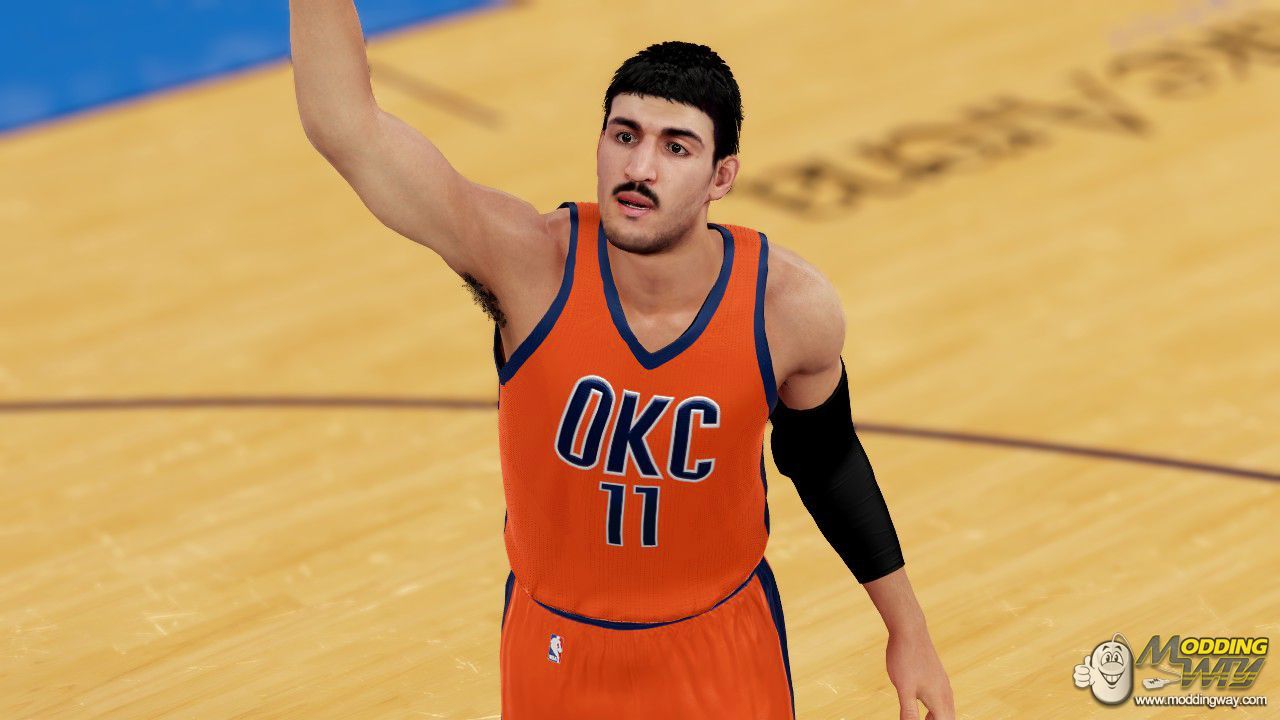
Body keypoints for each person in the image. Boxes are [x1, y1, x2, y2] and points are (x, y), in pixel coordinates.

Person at [290, 3, 955, 717]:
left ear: (722, 176)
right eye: (624, 135)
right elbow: (347, 128)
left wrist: (908, 630)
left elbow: (826, 463)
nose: (639, 168)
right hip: (556, 648)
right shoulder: (529, 265)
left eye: (676, 147)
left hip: (722, 647)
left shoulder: (788, 308)